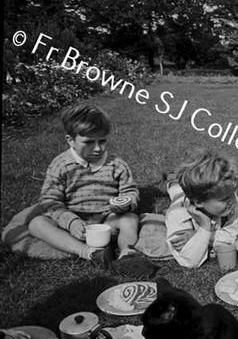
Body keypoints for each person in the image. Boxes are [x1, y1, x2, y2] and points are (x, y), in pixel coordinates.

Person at [28, 105, 148, 273]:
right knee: (37, 223)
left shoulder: (116, 164)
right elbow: (50, 201)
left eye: (103, 141)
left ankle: (127, 253)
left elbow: (130, 191)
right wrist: (70, 221)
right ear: (70, 140)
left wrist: (126, 204)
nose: (98, 148)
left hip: (108, 220)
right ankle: (90, 253)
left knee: (130, 219)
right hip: (74, 222)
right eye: (89, 142)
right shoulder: (61, 165)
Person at [164, 149, 238, 268]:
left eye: (232, 195)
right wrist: (205, 226)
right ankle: (172, 178)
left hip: (196, 197)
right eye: (224, 199)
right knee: (176, 192)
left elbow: (230, 236)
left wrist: (199, 235)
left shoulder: (230, 198)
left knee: (180, 190)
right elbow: (190, 261)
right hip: (180, 201)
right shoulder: (178, 215)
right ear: (199, 202)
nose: (232, 201)